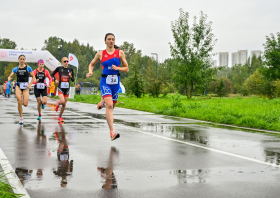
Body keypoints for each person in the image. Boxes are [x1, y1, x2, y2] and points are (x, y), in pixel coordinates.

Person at [87, 33, 129, 141]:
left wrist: (118, 68)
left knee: (111, 107)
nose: (111, 41)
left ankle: (102, 102)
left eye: (113, 39)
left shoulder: (120, 53)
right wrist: (90, 72)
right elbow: (91, 64)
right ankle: (112, 132)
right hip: (105, 81)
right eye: (109, 39)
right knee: (110, 106)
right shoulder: (100, 54)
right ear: (105, 41)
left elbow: (126, 68)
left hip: (116, 82)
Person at [8, 55, 35, 125]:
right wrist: (9, 79)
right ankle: (21, 118)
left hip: (26, 86)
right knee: (19, 101)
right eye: (21, 59)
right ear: (18, 60)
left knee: (25, 104)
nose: (22, 60)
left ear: (25, 60)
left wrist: (30, 84)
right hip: (18, 86)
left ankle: (21, 106)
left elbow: (33, 76)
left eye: (23, 59)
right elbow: (10, 76)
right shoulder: (16, 68)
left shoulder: (28, 68)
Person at [51, 57, 75, 123]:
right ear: (62, 62)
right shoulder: (59, 68)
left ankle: (60, 116)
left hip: (67, 88)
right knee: (62, 101)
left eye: (67, 61)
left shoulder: (70, 69)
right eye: (65, 61)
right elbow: (52, 74)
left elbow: (73, 80)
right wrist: (55, 79)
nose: (66, 62)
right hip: (60, 87)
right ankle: (58, 103)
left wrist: (70, 76)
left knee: (64, 104)